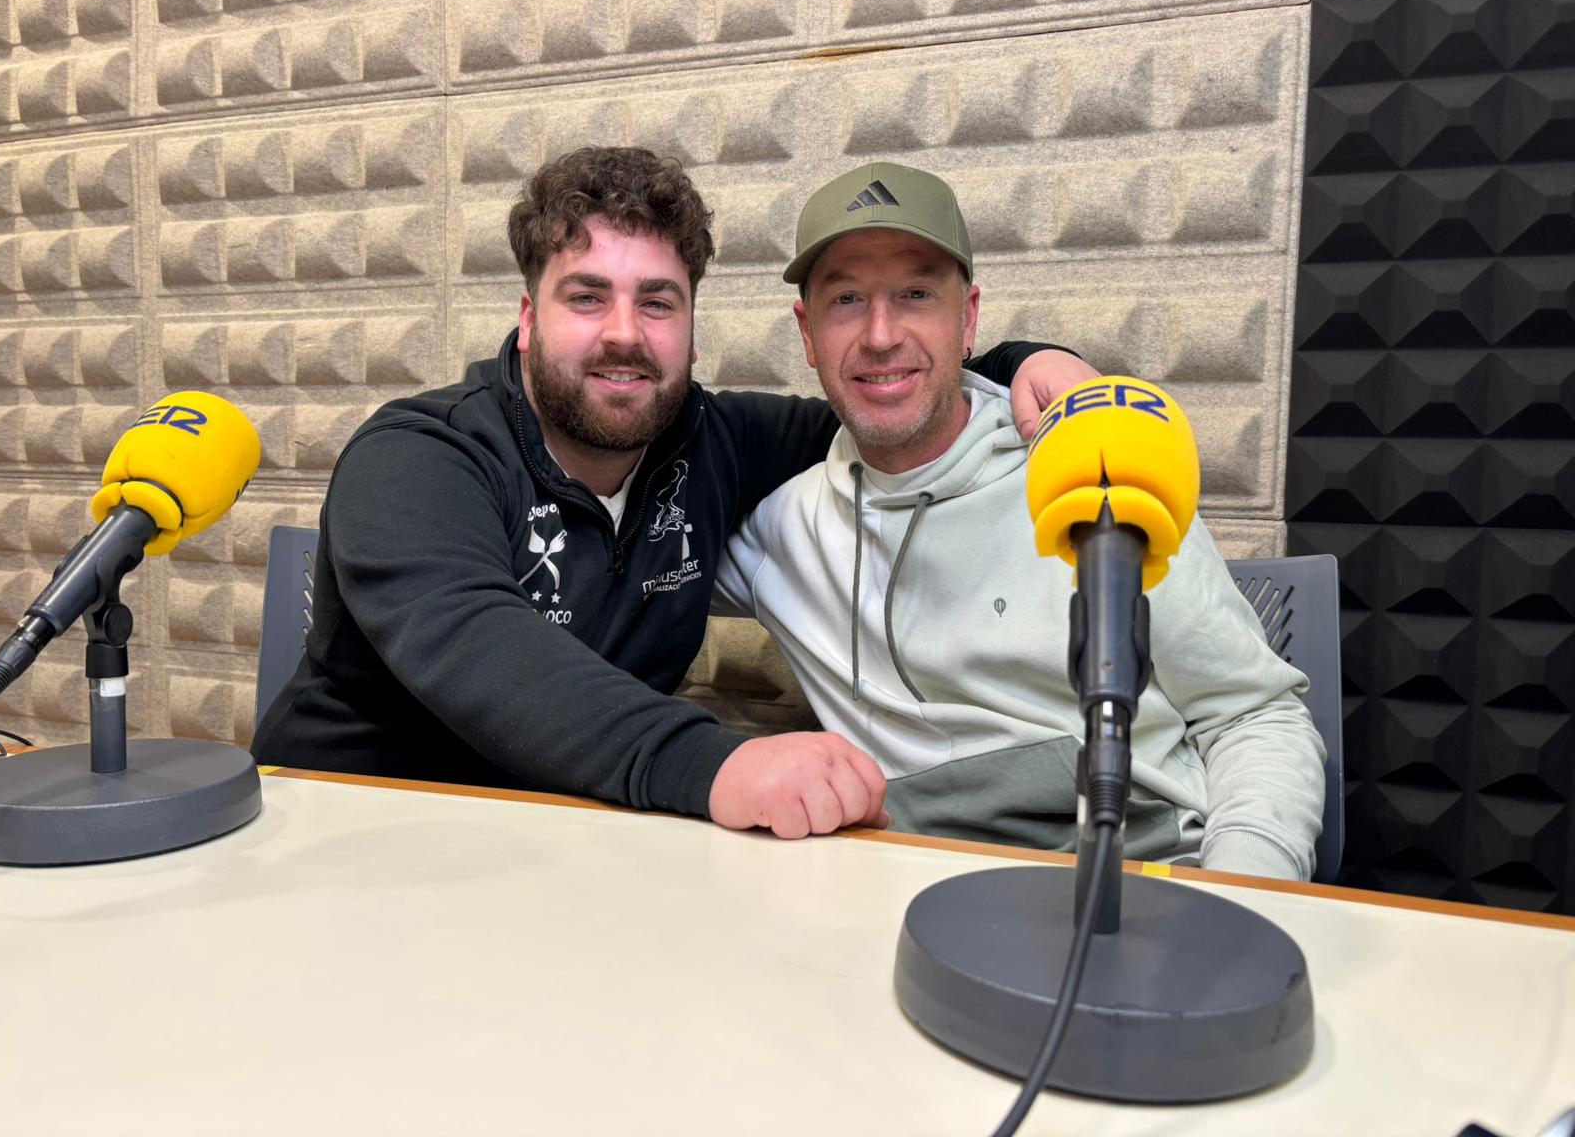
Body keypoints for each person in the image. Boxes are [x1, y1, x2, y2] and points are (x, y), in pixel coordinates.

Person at [251, 146, 1100, 840]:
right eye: (587, 297)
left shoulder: (711, 442)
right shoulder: (418, 457)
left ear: (692, 327)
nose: (624, 333)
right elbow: (485, 650)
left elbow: (878, 397)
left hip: (571, 852)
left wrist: (1021, 362)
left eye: (657, 302)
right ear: (528, 317)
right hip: (349, 839)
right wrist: (715, 764)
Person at [714, 161, 1326, 879]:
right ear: (807, 332)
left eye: (916, 294)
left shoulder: (1095, 472)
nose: (880, 334)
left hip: (1137, 872)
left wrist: (1240, 895)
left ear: (968, 318)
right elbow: (638, 571)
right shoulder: (783, 529)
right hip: (908, 887)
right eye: (846, 299)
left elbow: (1253, 715)